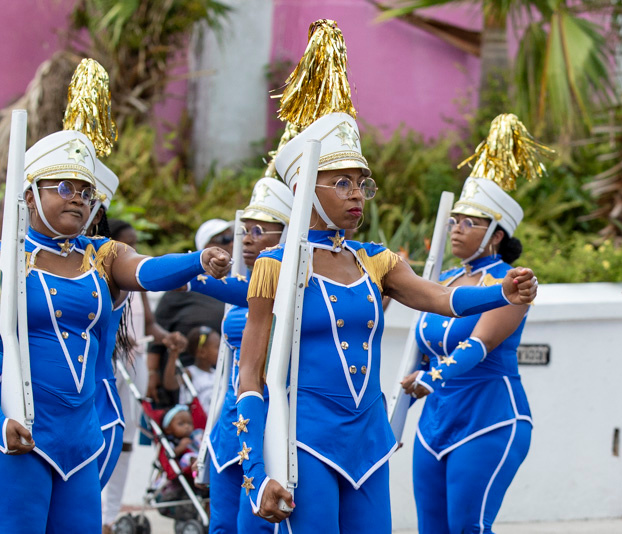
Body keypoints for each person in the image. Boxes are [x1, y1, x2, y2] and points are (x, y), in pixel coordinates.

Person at [233, 20, 537, 534]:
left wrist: (500, 293)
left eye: (362, 183)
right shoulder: (275, 266)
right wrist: (257, 471)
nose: (357, 194)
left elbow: (442, 299)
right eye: (342, 183)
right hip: (303, 441)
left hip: (369, 442)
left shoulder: (376, 261)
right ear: (304, 189)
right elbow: (250, 376)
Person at [0, 127, 231, 533]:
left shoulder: (102, 255)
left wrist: (197, 261)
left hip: (80, 437)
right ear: (29, 196)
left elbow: (147, 271)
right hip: (15, 425)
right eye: (64, 187)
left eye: (86, 192)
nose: (77, 198)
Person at [402, 114, 550, 534]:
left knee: (469, 527)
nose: (457, 230)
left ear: (496, 235)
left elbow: (478, 345)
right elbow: (421, 350)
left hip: (489, 418)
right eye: (454, 221)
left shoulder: (510, 282)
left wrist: (431, 377)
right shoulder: (444, 282)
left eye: (469, 223)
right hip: (435, 422)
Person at [185, 177, 294, 534]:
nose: (246, 239)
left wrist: (192, 273)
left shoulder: (296, 291)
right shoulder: (242, 287)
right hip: (230, 425)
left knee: (255, 528)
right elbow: (226, 373)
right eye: (245, 230)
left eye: (259, 230)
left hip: (269, 426)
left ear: (287, 234)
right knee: (221, 527)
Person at [100, 219, 188, 533]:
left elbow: (149, 325)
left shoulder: (136, 285)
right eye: (128, 242)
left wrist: (167, 338)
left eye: (136, 243)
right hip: (109, 362)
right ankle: (91, 507)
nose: (134, 248)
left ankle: (109, 516)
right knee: (101, 432)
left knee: (124, 440)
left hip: (134, 362)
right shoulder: (102, 275)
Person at [146, 218, 234, 406]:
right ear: (207, 247)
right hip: (186, 381)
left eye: (233, 237)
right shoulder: (184, 286)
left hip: (223, 379)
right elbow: (156, 330)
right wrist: (152, 373)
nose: (232, 243)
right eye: (225, 239)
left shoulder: (237, 282)